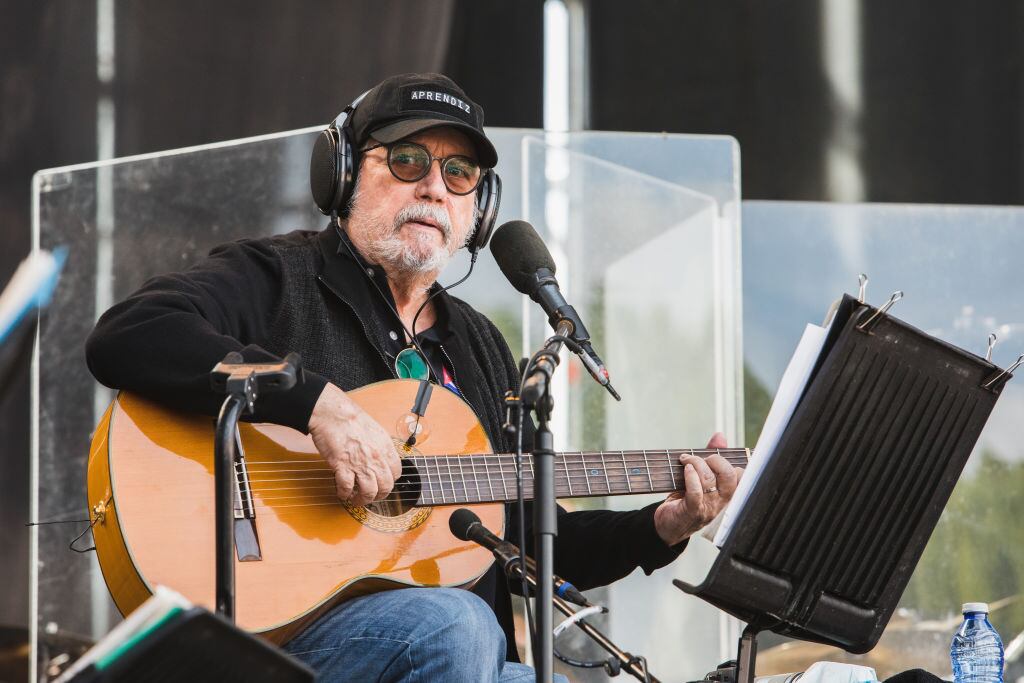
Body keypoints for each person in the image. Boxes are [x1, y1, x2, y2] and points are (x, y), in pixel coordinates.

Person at [85, 72, 743, 683]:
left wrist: (663, 524)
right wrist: (319, 406)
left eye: (460, 173)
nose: (435, 187)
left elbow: (535, 533)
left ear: (479, 207)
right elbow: (129, 332)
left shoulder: (477, 345)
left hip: (454, 656)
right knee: (455, 624)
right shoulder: (279, 279)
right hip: (275, 646)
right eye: (407, 160)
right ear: (343, 174)